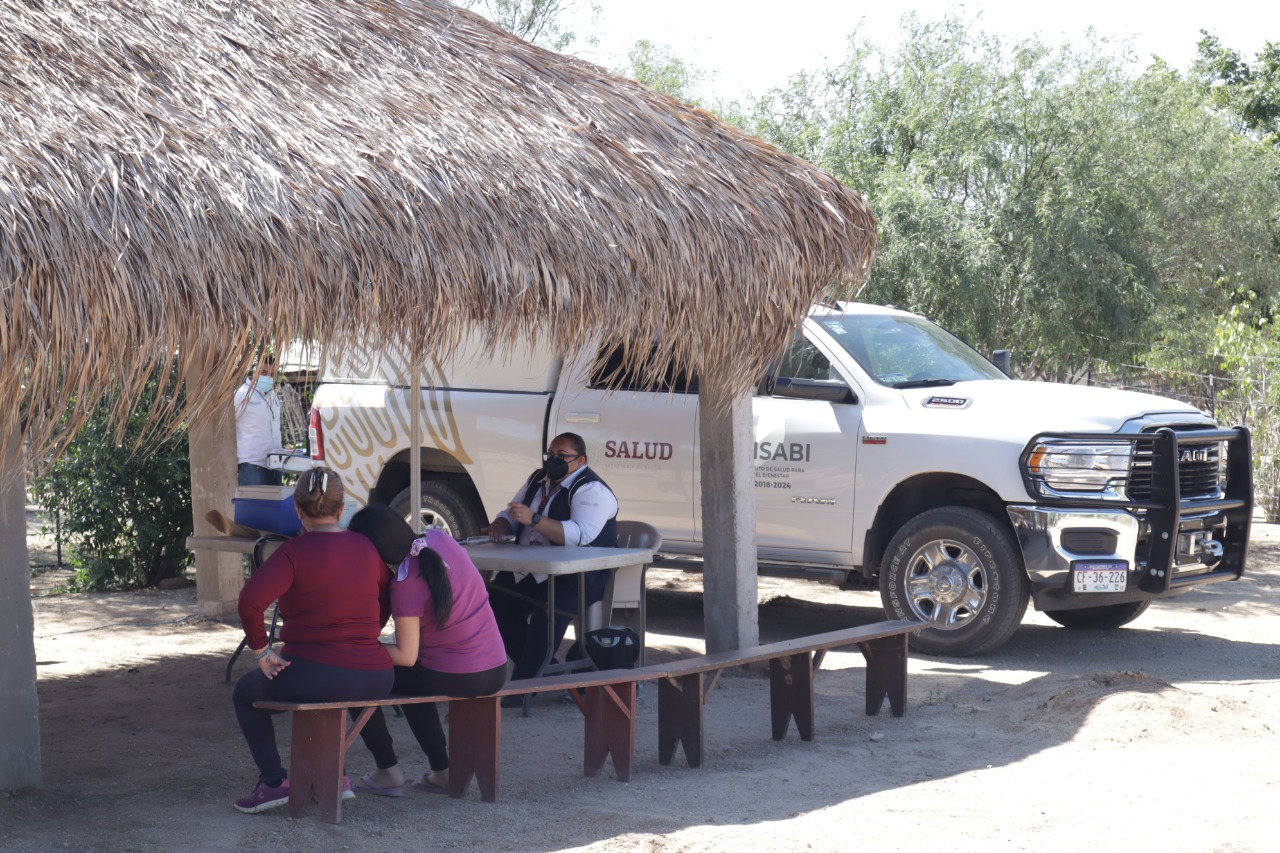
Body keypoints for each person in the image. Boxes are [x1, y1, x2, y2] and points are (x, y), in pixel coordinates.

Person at [230, 467, 393, 814]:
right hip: (376, 673)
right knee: (331, 691)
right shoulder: (366, 547)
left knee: (245, 693)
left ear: (297, 511)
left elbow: (250, 601)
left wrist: (261, 651)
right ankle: (335, 777)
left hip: (317, 672)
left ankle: (274, 782)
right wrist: (367, 634)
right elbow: (388, 594)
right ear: (341, 509)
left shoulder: (294, 552)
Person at [345, 504, 508, 795]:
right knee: (415, 678)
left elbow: (405, 656)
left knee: (356, 676)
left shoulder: (405, 584)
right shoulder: (440, 539)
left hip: (459, 675)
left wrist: (357, 649)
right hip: (496, 668)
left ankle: (388, 770)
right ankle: (441, 771)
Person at [482, 432, 619, 688]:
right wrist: (502, 523)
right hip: (530, 569)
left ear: (580, 461)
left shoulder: (591, 489)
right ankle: (547, 674)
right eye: (551, 454)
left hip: (575, 577)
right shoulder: (538, 478)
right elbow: (513, 511)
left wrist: (534, 519)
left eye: (562, 456)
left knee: (547, 616)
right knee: (490, 603)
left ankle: (522, 689)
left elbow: (579, 535)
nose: (553, 460)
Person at [233, 354, 283, 486]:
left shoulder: (273, 396)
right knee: (253, 501)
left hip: (276, 466)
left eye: (272, 374)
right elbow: (227, 428)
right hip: (252, 466)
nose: (268, 378)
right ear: (255, 371)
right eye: (264, 373)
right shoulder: (242, 395)